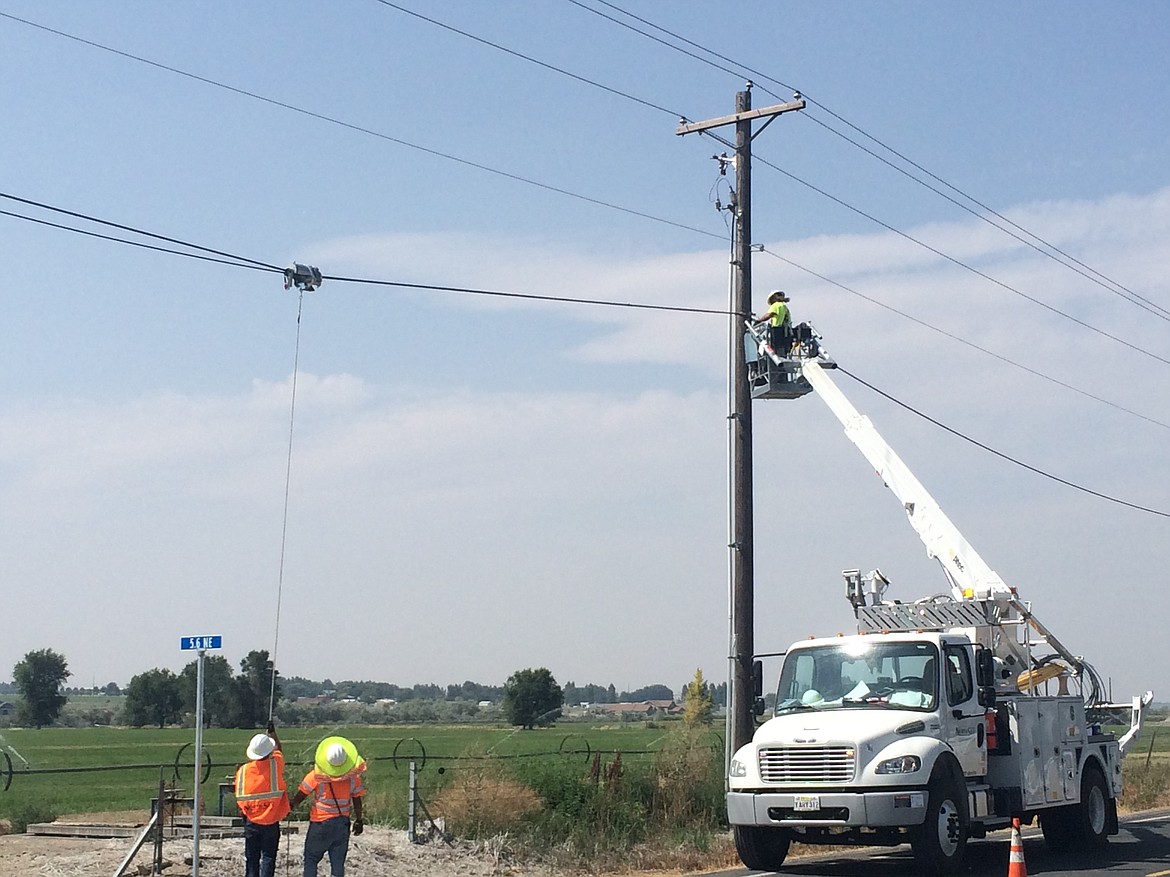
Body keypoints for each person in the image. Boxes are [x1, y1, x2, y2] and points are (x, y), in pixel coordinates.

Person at [291, 736, 367, 877]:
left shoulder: (316, 776)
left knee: (311, 859)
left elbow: (301, 795)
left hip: (320, 824)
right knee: (338, 863)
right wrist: (359, 820)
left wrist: (289, 807)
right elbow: (357, 800)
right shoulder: (353, 778)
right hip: (341, 824)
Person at [234, 721, 291, 877]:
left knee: (252, 859)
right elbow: (279, 749)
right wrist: (273, 733)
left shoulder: (243, 770)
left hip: (251, 820)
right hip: (271, 821)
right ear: (268, 751)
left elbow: (239, 796)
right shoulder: (275, 764)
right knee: (268, 858)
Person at [755, 290, 792, 354]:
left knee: (775, 350)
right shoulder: (784, 307)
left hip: (777, 330)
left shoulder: (776, 305)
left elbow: (769, 315)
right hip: (786, 332)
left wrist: (759, 320)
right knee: (782, 351)